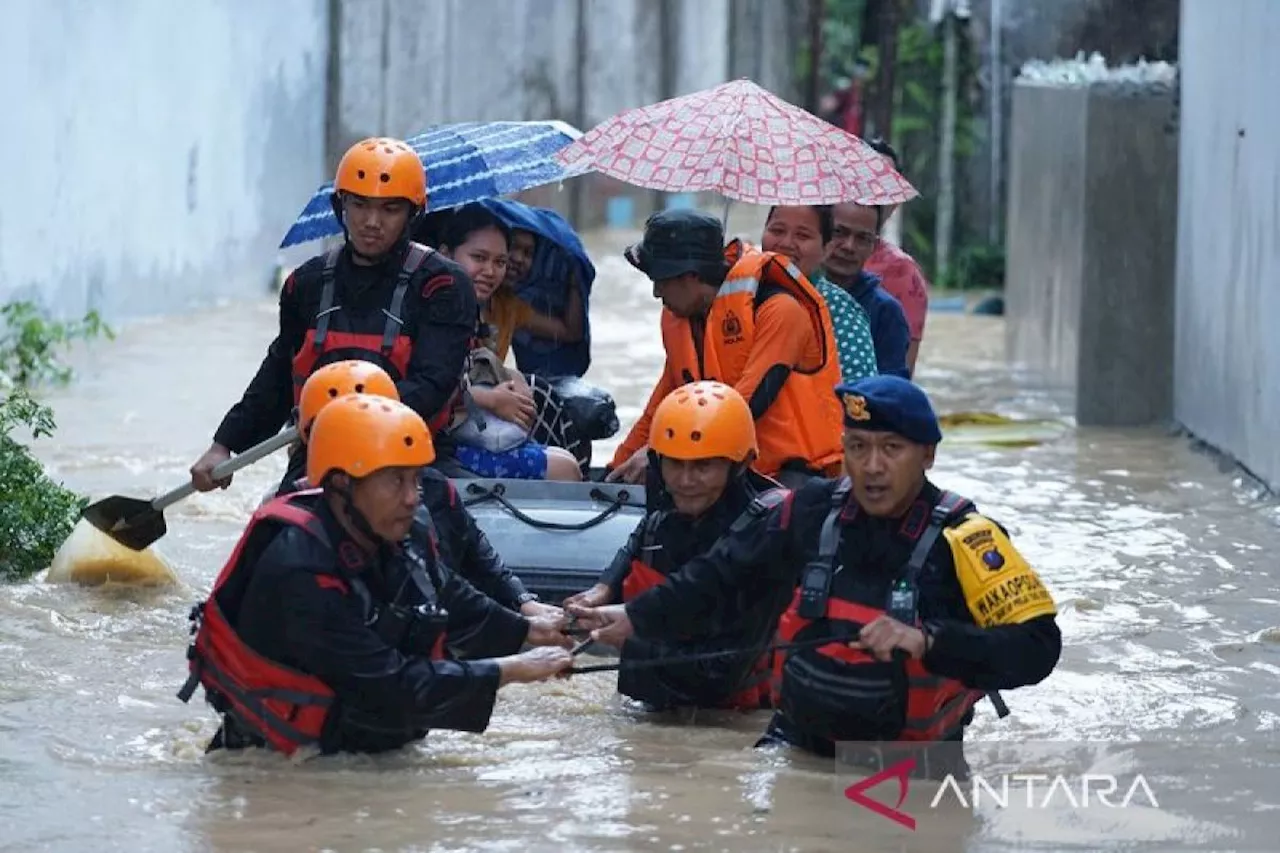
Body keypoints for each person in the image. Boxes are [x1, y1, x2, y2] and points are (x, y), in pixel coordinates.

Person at [573, 376, 1061, 773]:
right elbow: (720, 574)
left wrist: (929, 642)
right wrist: (634, 616)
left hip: (910, 763)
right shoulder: (810, 509)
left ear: (927, 455)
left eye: (891, 448)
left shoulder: (969, 539)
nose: (872, 467)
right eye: (858, 446)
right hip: (796, 745)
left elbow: (1038, 649)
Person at [178, 392, 575, 757]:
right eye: (394, 480)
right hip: (280, 762)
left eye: (416, 479)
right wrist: (512, 670)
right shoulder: (298, 569)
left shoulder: (393, 525)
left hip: (355, 741)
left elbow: (443, 591)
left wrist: (527, 630)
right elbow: (387, 684)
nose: (412, 497)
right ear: (340, 486)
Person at [189, 137, 477, 494]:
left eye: (389, 209)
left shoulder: (443, 285)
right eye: (359, 204)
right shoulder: (305, 284)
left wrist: (345, 422)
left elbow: (433, 383)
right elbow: (278, 377)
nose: (371, 221)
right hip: (318, 454)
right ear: (339, 205)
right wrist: (224, 444)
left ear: (413, 214)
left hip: (412, 452)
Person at [278, 359, 561, 619]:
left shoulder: (433, 489)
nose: (411, 498)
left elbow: (461, 572)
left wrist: (524, 607)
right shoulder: (296, 531)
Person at [564, 381, 783, 710]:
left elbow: (721, 675)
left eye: (703, 466)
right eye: (675, 464)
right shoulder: (667, 511)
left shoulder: (767, 532)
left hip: (738, 715)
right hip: (665, 699)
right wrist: (603, 588)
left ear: (739, 464)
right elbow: (643, 535)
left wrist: (631, 641)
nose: (685, 481)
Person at [606, 209, 844, 489]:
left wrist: (657, 453)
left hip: (791, 477)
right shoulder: (681, 317)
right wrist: (612, 472)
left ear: (690, 276)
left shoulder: (780, 310)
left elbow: (744, 406)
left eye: (661, 280)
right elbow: (659, 409)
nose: (657, 292)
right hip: (721, 470)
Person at [434, 206, 583, 482]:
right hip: (436, 443)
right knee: (566, 470)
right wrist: (489, 399)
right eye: (479, 258)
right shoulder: (430, 310)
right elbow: (423, 387)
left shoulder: (473, 309)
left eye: (499, 262)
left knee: (548, 414)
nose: (490, 272)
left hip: (466, 428)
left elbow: (568, 331)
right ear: (444, 254)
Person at [761, 205, 878, 381]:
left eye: (802, 235)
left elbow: (859, 395)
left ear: (827, 248)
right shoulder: (736, 290)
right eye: (777, 230)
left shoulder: (840, 311)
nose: (786, 244)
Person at [861, 138, 931, 375]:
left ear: (897, 200)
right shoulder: (810, 250)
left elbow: (902, 373)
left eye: (886, 182)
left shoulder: (903, 273)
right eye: (867, 177)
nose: (875, 192)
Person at [825, 203, 912, 379]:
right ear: (819, 232)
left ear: (874, 246)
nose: (849, 246)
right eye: (839, 232)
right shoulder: (790, 293)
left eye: (863, 238)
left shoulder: (885, 311)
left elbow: (891, 391)